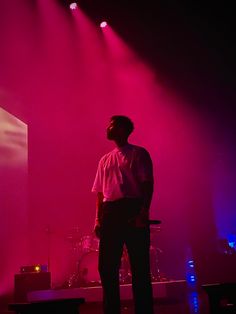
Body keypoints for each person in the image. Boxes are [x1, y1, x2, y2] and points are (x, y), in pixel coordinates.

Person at [92, 115, 154, 314]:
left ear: (123, 129)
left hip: (132, 209)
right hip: (111, 212)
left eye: (112, 125)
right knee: (107, 267)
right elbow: (101, 193)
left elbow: (147, 184)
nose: (108, 127)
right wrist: (98, 219)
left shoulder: (138, 153)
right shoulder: (104, 160)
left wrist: (143, 211)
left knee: (139, 266)